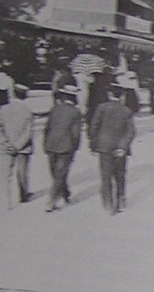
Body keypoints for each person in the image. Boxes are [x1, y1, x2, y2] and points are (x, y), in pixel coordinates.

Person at [89, 85, 136, 214]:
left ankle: (108, 205)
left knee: (106, 177)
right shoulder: (127, 111)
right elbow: (131, 131)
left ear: (110, 95)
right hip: (120, 149)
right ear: (121, 96)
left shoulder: (101, 108)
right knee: (120, 175)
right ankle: (121, 200)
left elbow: (94, 127)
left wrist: (93, 145)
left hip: (104, 147)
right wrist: (123, 147)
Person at [0, 83, 35, 206]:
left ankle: (6, 198)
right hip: (23, 148)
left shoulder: (3, 109)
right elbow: (28, 132)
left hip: (6, 147)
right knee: (22, 172)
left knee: (6, 174)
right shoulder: (28, 111)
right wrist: (18, 145)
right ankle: (23, 195)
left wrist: (5, 142)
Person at [43, 85, 83, 211]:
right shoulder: (76, 112)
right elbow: (76, 133)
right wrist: (75, 148)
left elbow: (47, 128)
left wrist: (45, 144)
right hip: (66, 146)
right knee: (60, 174)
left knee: (56, 173)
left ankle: (65, 193)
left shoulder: (55, 109)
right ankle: (51, 201)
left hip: (51, 144)